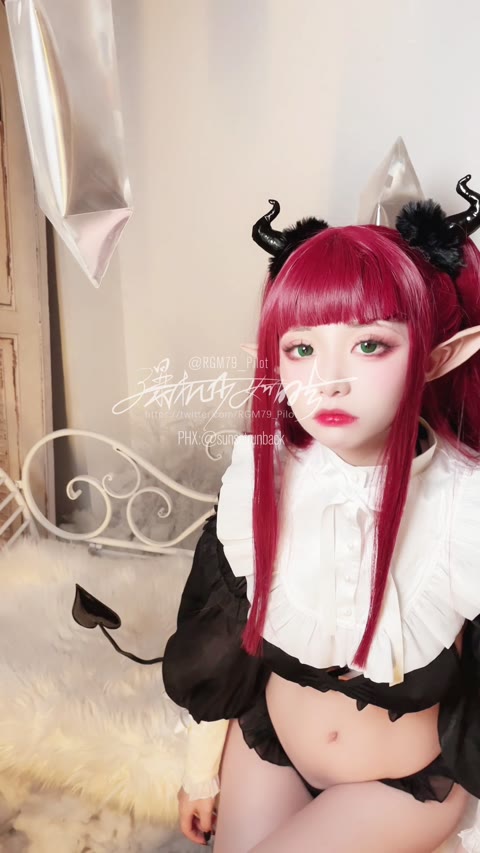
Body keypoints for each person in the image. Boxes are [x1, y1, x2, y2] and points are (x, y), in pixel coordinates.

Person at [72, 176, 480, 851]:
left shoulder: (463, 506)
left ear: (439, 356)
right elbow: (223, 628)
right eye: (302, 348)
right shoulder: (262, 477)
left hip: (398, 783)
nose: (329, 380)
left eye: (370, 345)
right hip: (272, 746)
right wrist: (200, 773)